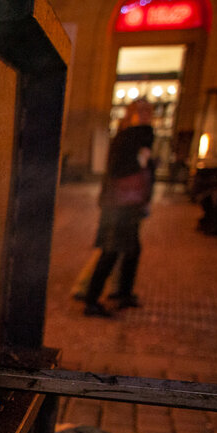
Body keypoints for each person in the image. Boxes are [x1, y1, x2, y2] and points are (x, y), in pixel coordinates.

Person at [82, 107, 155, 317]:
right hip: (119, 206)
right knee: (111, 250)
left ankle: (122, 293)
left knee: (130, 250)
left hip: (127, 204)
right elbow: (121, 170)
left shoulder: (135, 138)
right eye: (143, 113)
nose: (147, 117)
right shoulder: (130, 138)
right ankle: (92, 300)